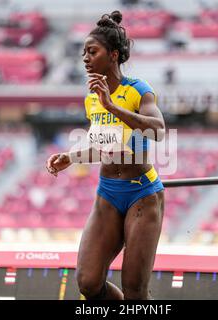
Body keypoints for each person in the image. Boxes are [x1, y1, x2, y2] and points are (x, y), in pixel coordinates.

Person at [46, 10, 166, 300]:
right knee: (88, 282)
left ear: (113, 55)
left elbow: (158, 131)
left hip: (142, 195)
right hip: (108, 194)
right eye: (83, 52)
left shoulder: (139, 90)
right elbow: (104, 145)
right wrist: (71, 158)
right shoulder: (91, 98)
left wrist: (112, 106)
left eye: (92, 51)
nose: (85, 58)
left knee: (135, 290)